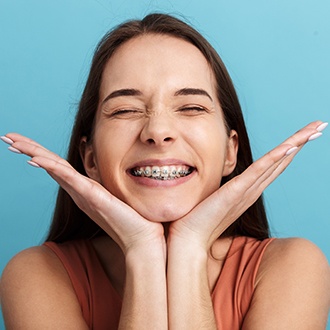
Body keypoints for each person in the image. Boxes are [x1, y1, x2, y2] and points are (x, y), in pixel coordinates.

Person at [0, 13, 329, 329]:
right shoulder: (37, 274)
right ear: (90, 160)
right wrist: (143, 252)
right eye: (125, 109)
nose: (157, 131)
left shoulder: (293, 268)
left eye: (191, 107)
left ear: (231, 152)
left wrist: (189, 247)